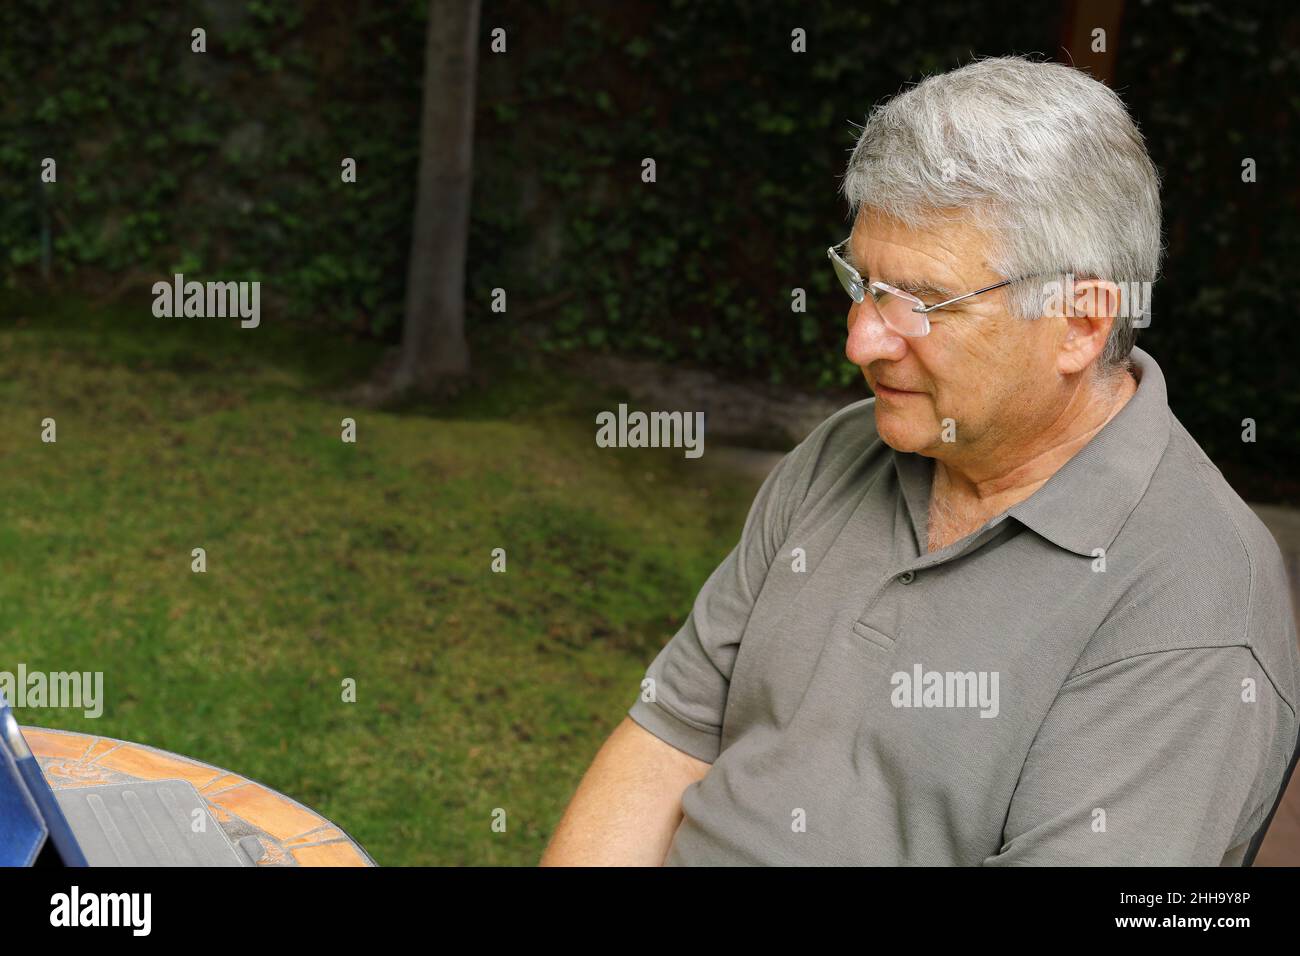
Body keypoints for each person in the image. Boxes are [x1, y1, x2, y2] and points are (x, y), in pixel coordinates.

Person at [541, 55, 1300, 866]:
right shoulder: (844, 451)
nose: (860, 340)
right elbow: (669, 739)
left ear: (1080, 323)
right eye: (863, 285)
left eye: (924, 304)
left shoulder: (1193, 614)